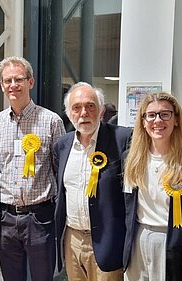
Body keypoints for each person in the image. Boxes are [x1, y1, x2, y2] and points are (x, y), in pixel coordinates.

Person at [0, 56, 65, 281]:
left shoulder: (51, 121)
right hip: (6, 218)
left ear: (30, 82)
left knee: (42, 277)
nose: (13, 85)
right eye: (7, 81)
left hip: (40, 217)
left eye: (18, 79)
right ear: (2, 85)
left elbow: (59, 169)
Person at [123, 92, 182, 281]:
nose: (157, 120)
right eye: (151, 115)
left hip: (172, 243)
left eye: (165, 114)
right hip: (137, 241)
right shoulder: (130, 161)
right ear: (143, 121)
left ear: (176, 119)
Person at [53, 82, 131, 281]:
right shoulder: (62, 145)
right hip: (72, 239)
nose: (83, 113)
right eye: (76, 108)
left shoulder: (122, 138)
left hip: (107, 240)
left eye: (90, 106)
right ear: (69, 113)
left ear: (102, 110)